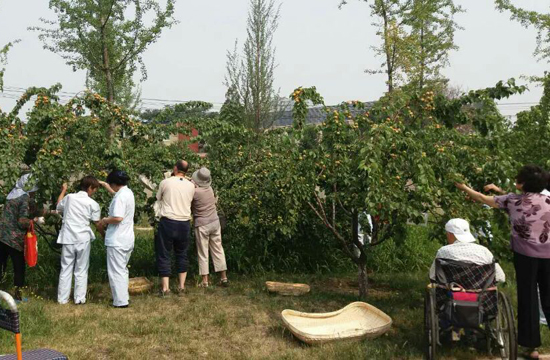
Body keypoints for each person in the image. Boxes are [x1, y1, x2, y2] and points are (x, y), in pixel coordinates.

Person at [456, 165, 550, 359]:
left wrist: (464, 187)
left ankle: (531, 348)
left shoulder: (512, 201)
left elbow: (483, 198)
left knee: (528, 298)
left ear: (521, 183)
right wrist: (500, 190)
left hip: (526, 256)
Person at [56, 177, 101, 305]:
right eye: (94, 189)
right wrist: (103, 233)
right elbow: (97, 222)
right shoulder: (93, 203)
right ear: (90, 188)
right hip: (83, 238)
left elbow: (58, 206)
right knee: (81, 269)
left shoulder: (69, 197)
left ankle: (62, 299)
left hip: (68, 237)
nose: (94, 192)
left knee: (66, 268)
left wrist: (63, 190)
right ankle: (79, 299)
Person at [155, 160, 195, 296]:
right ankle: (181, 286)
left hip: (168, 221)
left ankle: (166, 288)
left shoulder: (165, 182)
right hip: (184, 222)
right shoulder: (191, 186)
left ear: (175, 168)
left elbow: (158, 198)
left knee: (164, 253)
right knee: (182, 253)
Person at [98, 171, 135, 308]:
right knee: (122, 270)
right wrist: (104, 185)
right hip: (127, 239)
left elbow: (118, 218)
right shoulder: (127, 193)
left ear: (114, 183)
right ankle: (123, 297)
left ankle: (120, 301)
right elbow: (116, 195)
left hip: (117, 239)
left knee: (116, 271)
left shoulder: (120, 197)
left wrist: (104, 220)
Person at [0, 174, 40, 300]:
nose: (34, 193)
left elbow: (32, 210)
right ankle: (18, 295)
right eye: (33, 190)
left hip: (2, 236)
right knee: (19, 267)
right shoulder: (24, 199)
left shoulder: (11, 196)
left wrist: (49, 212)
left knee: (1, 265)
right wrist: (36, 221)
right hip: (14, 239)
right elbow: (22, 221)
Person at [429, 218, 505, 283]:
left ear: (450, 234)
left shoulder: (443, 251)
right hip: (482, 294)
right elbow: (500, 277)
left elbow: (432, 276)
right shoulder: (484, 251)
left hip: (451, 294)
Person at [191, 167, 228, 287]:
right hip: (214, 221)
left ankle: (205, 281)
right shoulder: (210, 189)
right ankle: (223, 277)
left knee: (203, 252)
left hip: (202, 224)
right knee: (218, 249)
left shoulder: (195, 192)